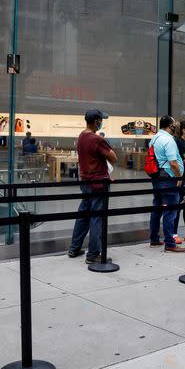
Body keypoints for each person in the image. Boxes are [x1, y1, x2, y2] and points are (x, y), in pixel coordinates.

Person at [68, 110, 117, 263]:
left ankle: (74, 249)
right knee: (97, 218)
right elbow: (113, 158)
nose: (102, 122)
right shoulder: (96, 139)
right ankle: (93, 254)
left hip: (85, 181)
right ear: (96, 122)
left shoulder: (82, 136)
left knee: (83, 216)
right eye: (101, 120)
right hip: (98, 183)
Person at [148, 116, 185, 252]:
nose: (176, 126)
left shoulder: (155, 138)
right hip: (169, 177)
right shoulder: (168, 140)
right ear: (170, 125)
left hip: (157, 176)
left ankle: (154, 239)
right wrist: (179, 176)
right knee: (170, 211)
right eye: (174, 124)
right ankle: (170, 243)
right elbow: (173, 163)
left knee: (157, 207)